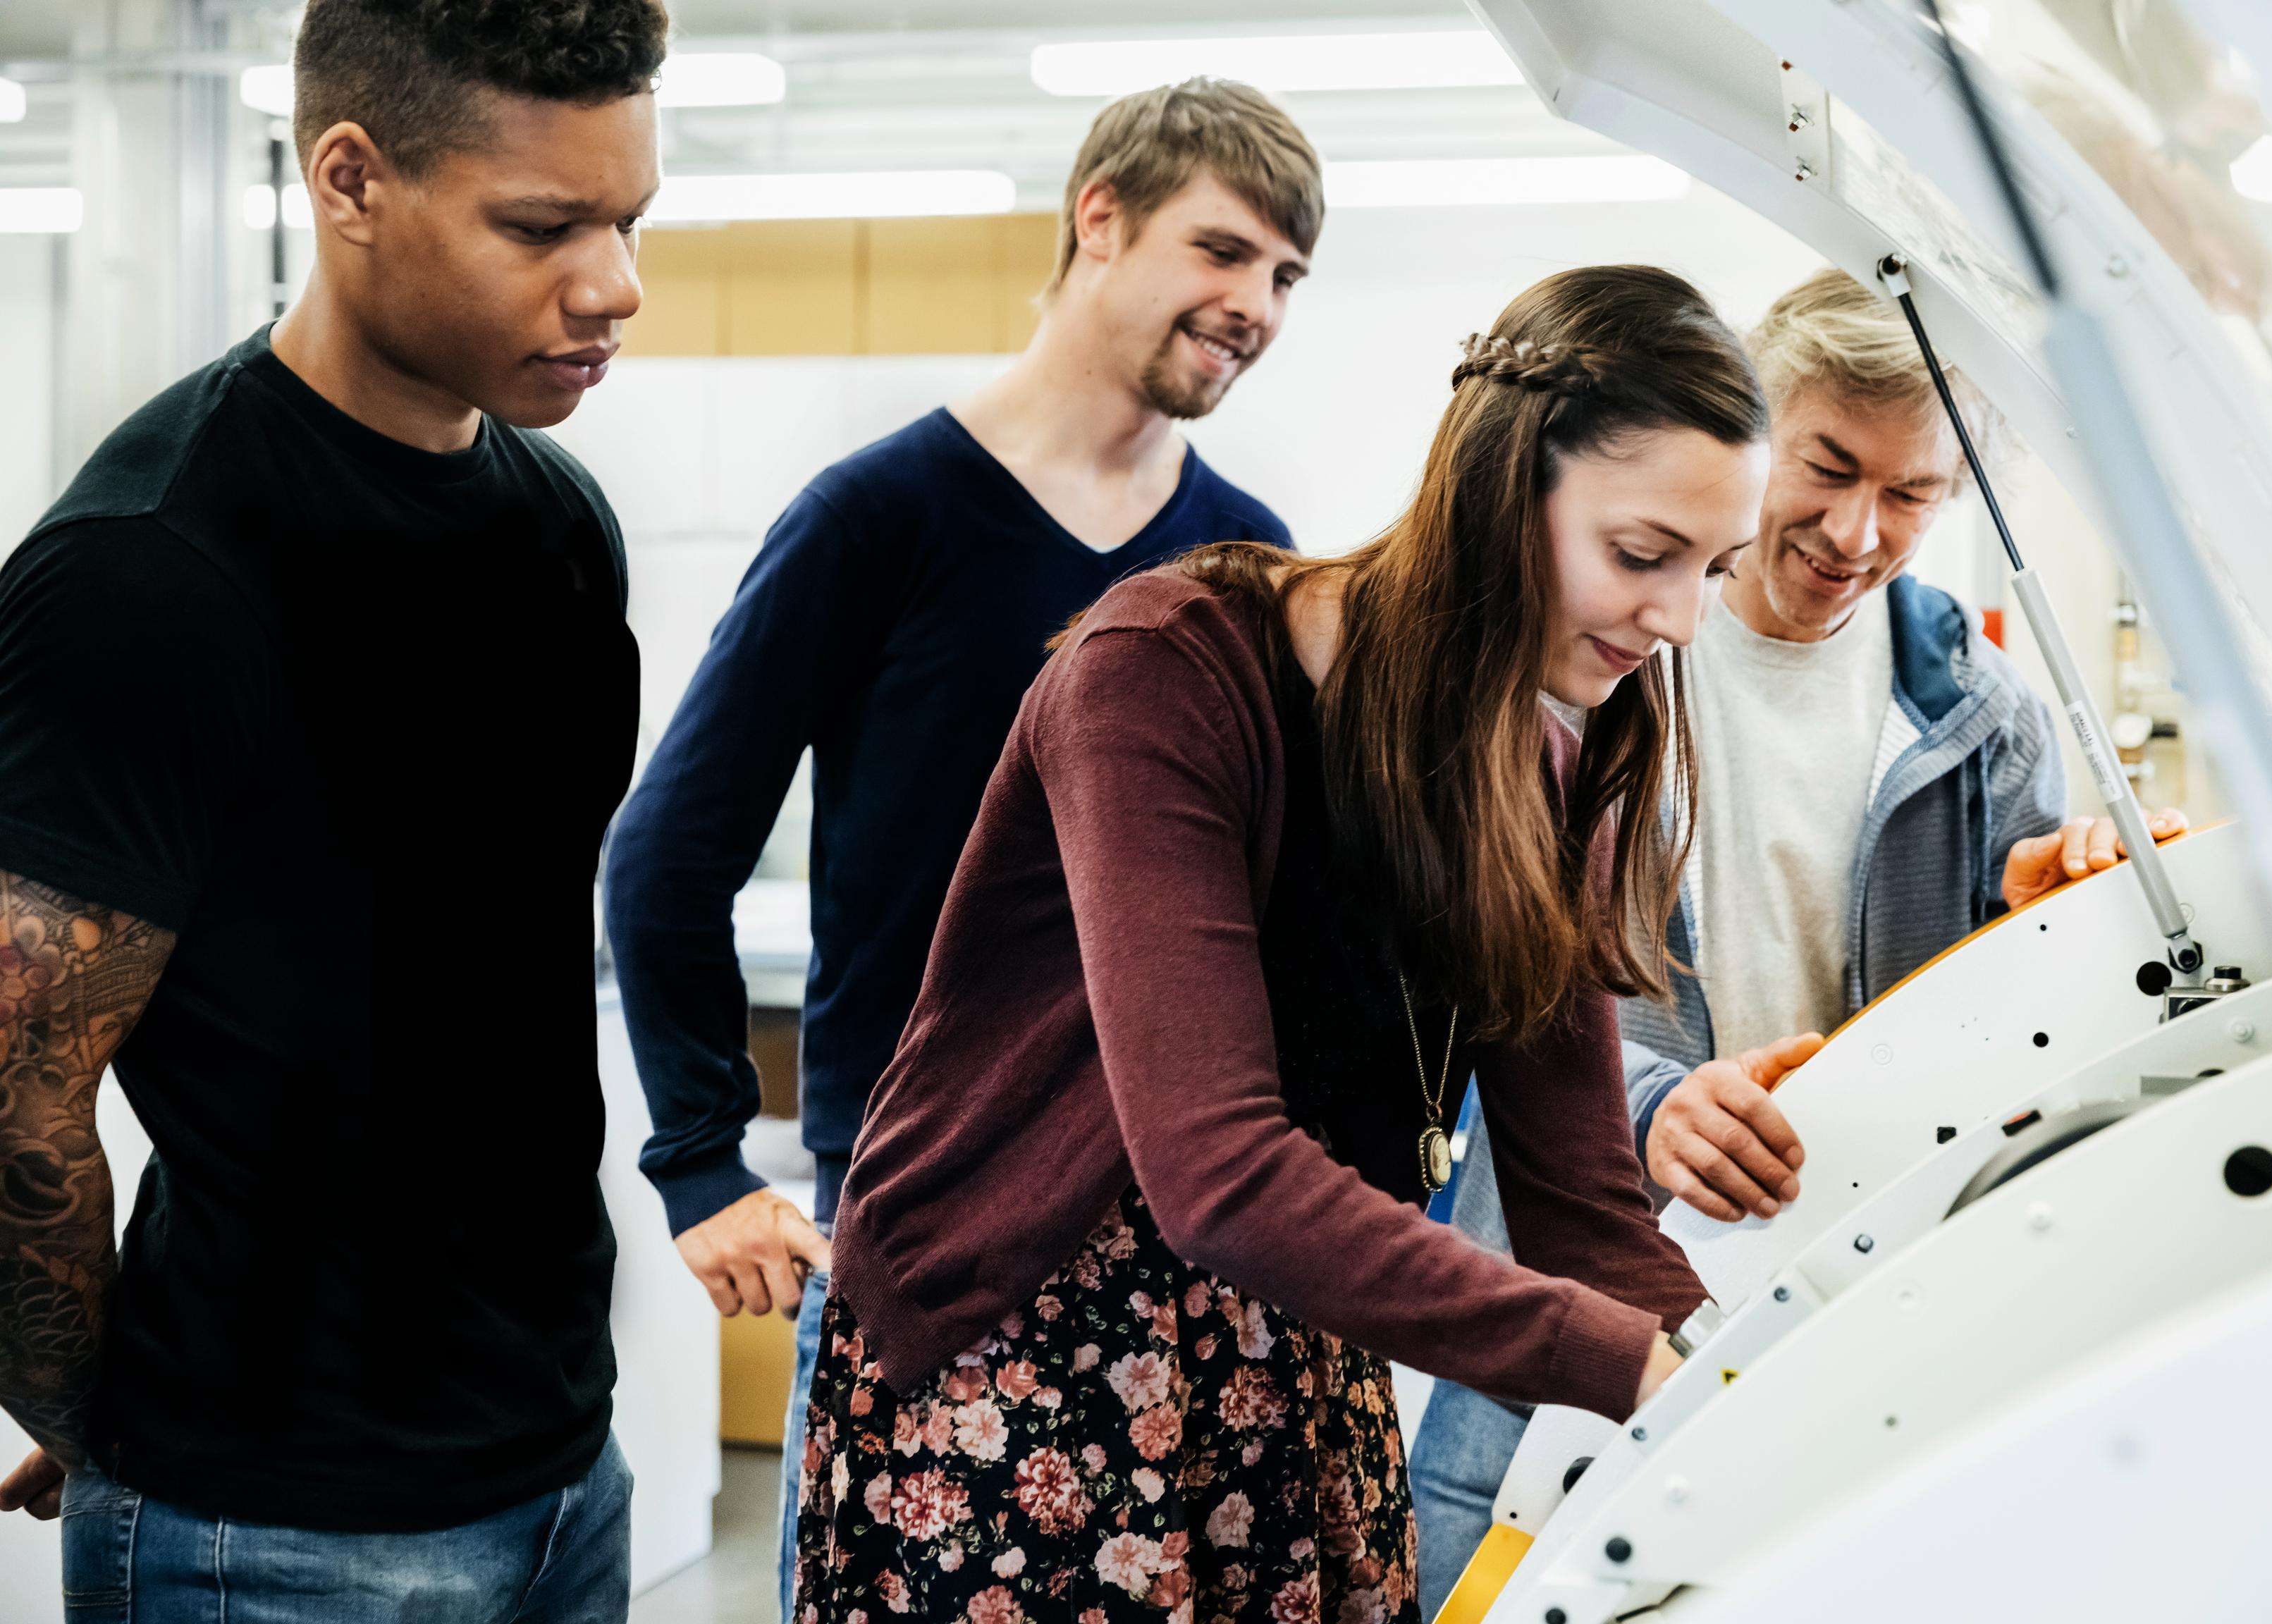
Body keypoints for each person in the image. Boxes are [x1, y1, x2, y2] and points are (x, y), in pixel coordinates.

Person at [789, 264, 1770, 1624]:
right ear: (1498, 491)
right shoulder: (1164, 673)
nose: (1679, 621)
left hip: (1297, 1356)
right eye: (1642, 554)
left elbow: (1583, 1203)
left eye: (1713, 570)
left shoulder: (1548, 762)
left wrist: (1741, 1364)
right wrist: (1630, 1366)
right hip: (1025, 1365)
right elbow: (1220, 1172)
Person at [599, 77, 1320, 1615]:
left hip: (1178, 1238)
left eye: (1286, 277)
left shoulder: (1245, 561)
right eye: (1225, 251)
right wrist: (701, 1163)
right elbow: (668, 855)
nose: (1255, 304)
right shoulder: (880, 515)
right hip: (925, 1229)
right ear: (1102, 216)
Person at [0, 1, 663, 1616]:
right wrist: (111, 1421)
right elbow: (16, 1100)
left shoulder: (560, 531)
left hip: (563, 1475)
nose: (614, 286)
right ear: (351, 179)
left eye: (630, 219)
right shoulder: (148, 574)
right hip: (272, 1540)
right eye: (543, 224)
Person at [1407, 265, 2188, 1615]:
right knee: (1491, 1568)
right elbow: (1476, 974)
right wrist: (1647, 1109)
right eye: (1823, 466)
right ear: (1747, 432)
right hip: (1571, 1245)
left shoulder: (1980, 717)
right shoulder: (1598, 658)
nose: (1855, 529)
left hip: (1838, 1270)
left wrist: (2052, 921)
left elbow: (2003, 1043)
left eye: (1910, 493)